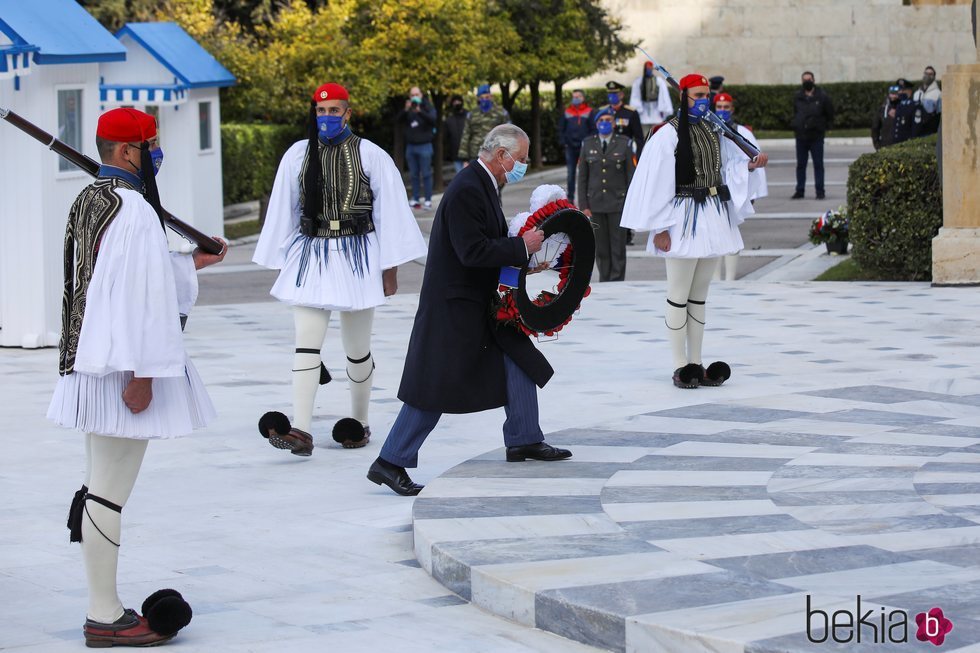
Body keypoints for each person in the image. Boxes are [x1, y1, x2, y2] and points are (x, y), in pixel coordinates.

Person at [47, 107, 227, 647]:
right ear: (128, 153)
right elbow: (140, 298)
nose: (156, 152)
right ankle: (105, 615)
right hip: (122, 367)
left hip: (91, 360)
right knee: (108, 494)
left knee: (98, 484)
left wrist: (191, 261)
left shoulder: (92, 200)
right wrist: (145, 375)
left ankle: (103, 605)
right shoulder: (134, 211)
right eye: (151, 144)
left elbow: (125, 276)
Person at [367, 124, 572, 497]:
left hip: (477, 301)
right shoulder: (466, 189)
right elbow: (472, 251)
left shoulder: (483, 185)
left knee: (519, 358)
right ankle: (390, 461)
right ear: (501, 156)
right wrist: (521, 247)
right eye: (521, 160)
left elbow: (487, 244)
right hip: (454, 307)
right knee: (435, 387)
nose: (523, 166)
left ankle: (524, 438)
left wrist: (527, 259)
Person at [253, 82, 427, 454]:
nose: (327, 117)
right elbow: (285, 206)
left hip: (357, 253)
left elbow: (390, 211)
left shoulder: (371, 154)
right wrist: (280, 258)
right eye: (321, 111)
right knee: (306, 345)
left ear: (348, 113)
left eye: (334, 111)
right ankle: (300, 428)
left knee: (357, 348)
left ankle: (358, 422)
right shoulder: (299, 154)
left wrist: (389, 268)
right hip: (311, 253)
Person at [620, 74, 768, 389]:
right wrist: (659, 227)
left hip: (712, 217)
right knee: (678, 295)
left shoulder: (714, 131)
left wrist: (748, 166)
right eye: (697, 94)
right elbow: (657, 181)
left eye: (706, 95)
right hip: (681, 219)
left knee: (699, 297)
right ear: (683, 97)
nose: (704, 100)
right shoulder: (667, 135)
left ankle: (697, 362)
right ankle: (679, 365)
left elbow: (723, 170)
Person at [711, 93, 768, 281]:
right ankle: (715, 279)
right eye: (719, 107)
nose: (722, 111)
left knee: (731, 232)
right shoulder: (708, 130)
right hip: (712, 188)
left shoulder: (743, 133)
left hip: (735, 188)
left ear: (732, 109)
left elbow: (754, 160)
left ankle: (729, 279)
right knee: (714, 236)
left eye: (726, 107)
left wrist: (752, 193)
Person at [578, 108, 636, 282]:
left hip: (618, 203)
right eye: (601, 120)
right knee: (601, 247)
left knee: (618, 246)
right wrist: (584, 205)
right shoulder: (587, 144)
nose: (604, 123)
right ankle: (605, 279)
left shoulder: (624, 143)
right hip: (595, 203)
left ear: (614, 123)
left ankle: (617, 279)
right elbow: (582, 177)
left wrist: (630, 204)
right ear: (596, 123)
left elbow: (631, 176)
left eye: (608, 120)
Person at [790, 71, 833, 200]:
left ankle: (820, 191)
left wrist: (823, 127)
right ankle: (800, 190)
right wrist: (796, 125)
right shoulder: (798, 96)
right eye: (804, 80)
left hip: (816, 137)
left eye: (809, 79)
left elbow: (830, 114)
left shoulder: (822, 96)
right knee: (801, 165)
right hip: (801, 137)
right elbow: (794, 112)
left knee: (818, 165)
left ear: (813, 80)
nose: (807, 82)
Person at [398, 86, 437, 210]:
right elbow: (397, 121)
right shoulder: (408, 109)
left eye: (417, 94)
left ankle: (428, 199)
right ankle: (415, 198)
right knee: (413, 174)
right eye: (412, 95)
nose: (415, 97)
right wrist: (405, 109)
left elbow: (433, 120)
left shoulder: (427, 106)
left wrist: (420, 111)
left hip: (425, 146)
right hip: (411, 147)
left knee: (426, 174)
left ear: (421, 95)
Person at [457, 84, 510, 166]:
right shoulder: (472, 114)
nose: (484, 100)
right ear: (478, 98)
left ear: (491, 97)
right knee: (475, 178)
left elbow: (509, 133)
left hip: (495, 155)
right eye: (482, 98)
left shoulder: (501, 113)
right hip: (475, 155)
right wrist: (464, 159)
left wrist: (508, 154)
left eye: (487, 97)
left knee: (493, 178)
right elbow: (466, 135)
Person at [557, 88, 592, 204]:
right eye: (574, 96)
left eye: (578, 96)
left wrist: (590, 143)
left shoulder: (589, 111)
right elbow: (561, 128)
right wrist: (564, 142)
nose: (575, 99)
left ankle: (588, 196)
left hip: (584, 147)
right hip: (570, 147)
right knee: (570, 173)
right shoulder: (567, 112)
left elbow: (593, 129)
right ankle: (570, 198)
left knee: (585, 172)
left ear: (583, 98)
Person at [629, 62, 674, 137]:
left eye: (650, 69)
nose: (648, 70)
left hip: (656, 109)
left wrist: (663, 109)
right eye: (647, 69)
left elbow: (664, 96)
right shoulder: (639, 81)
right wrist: (638, 109)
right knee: (645, 135)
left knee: (657, 134)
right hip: (644, 110)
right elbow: (635, 96)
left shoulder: (659, 81)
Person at [893, 79, 925, 145]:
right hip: (896, 143)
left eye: (902, 90)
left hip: (907, 143)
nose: (900, 92)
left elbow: (916, 129)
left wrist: (911, 144)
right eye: (899, 90)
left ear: (909, 91)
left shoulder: (915, 107)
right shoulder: (899, 105)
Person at [871, 84, 902, 151]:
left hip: (901, 146)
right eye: (892, 94)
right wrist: (877, 145)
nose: (894, 96)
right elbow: (875, 128)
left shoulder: (904, 108)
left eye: (896, 94)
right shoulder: (882, 110)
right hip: (885, 146)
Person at [913, 65, 942, 135]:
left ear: (934, 76)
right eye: (926, 73)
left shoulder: (938, 94)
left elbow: (940, 113)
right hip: (917, 127)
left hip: (930, 128)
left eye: (930, 74)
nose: (927, 76)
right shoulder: (917, 93)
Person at [444, 94, 467, 174]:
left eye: (458, 101)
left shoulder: (468, 117)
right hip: (456, 155)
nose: (457, 104)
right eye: (455, 102)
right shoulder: (449, 120)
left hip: (469, 155)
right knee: (460, 176)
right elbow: (447, 138)